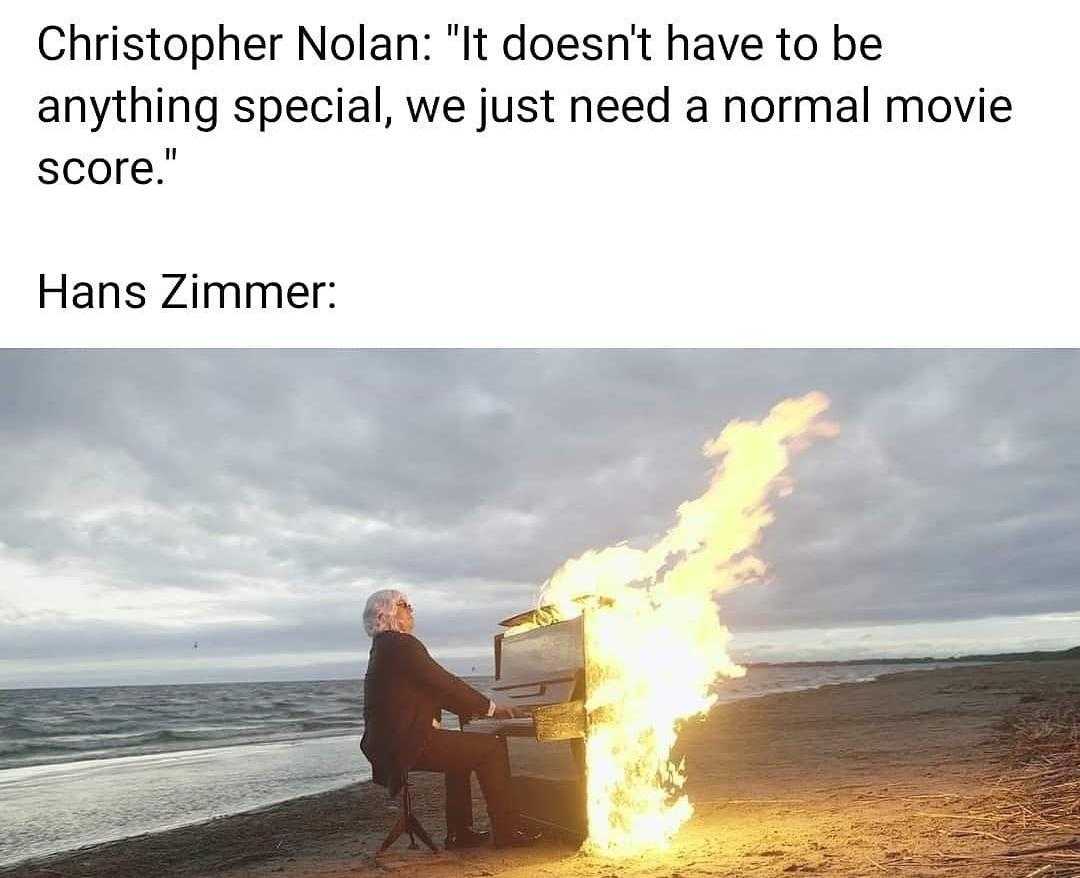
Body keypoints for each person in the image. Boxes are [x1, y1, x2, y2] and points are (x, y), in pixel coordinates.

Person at [359, 589, 541, 849]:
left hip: (389, 742)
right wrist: (491, 709)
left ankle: (459, 833)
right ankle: (507, 831)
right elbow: (445, 683)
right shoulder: (401, 644)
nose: (411, 610)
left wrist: (478, 711)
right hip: (405, 742)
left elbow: (436, 691)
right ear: (387, 612)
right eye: (404, 605)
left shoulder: (384, 646)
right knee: (492, 749)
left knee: (461, 756)